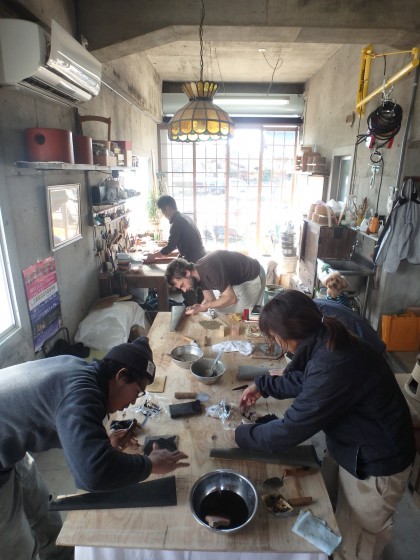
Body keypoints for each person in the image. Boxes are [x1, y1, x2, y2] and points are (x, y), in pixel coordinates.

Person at [235, 290, 415, 560]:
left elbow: (290, 430)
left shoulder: (334, 359)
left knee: (360, 541)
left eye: (272, 338)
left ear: (282, 336)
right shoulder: (324, 338)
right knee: (332, 513)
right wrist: (262, 385)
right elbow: (307, 381)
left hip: (376, 462)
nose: (276, 344)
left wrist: (240, 435)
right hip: (350, 445)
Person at [0, 337, 189, 560]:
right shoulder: (81, 393)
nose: (133, 402)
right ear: (120, 375)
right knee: (16, 543)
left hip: (10, 438)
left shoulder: (84, 371)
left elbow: (60, 417)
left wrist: (102, 442)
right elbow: (92, 473)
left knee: (42, 510)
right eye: (138, 392)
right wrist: (150, 465)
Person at [164, 250, 266, 315]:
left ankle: (263, 315)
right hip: (238, 280)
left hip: (253, 276)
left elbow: (231, 298)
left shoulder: (210, 269)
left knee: (242, 318)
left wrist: (204, 307)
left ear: (186, 273)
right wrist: (198, 307)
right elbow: (210, 300)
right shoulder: (198, 277)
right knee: (218, 311)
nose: (184, 290)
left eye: (182, 285)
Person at [143, 195, 206, 264]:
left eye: (162, 210)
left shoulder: (177, 222)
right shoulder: (185, 217)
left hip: (194, 261)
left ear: (167, 208)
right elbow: (177, 244)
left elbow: (171, 246)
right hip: (201, 257)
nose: (163, 214)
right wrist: (158, 253)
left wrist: (154, 256)